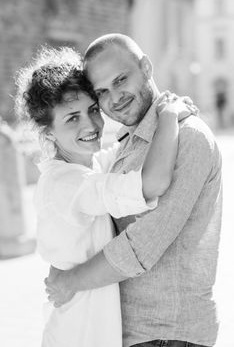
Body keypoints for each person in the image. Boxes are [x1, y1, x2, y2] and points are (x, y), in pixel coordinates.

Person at [45, 34, 223, 347]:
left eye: (121, 79)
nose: (114, 98)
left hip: (168, 334)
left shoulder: (187, 137)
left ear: (146, 67)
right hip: (133, 333)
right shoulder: (126, 146)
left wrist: (70, 282)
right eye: (102, 91)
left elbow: (142, 246)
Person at [15, 47, 192, 347]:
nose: (91, 125)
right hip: (80, 333)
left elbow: (123, 155)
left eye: (93, 110)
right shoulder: (65, 184)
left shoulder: (88, 165)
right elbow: (152, 183)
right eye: (72, 118)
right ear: (48, 134)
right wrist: (169, 116)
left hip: (93, 327)